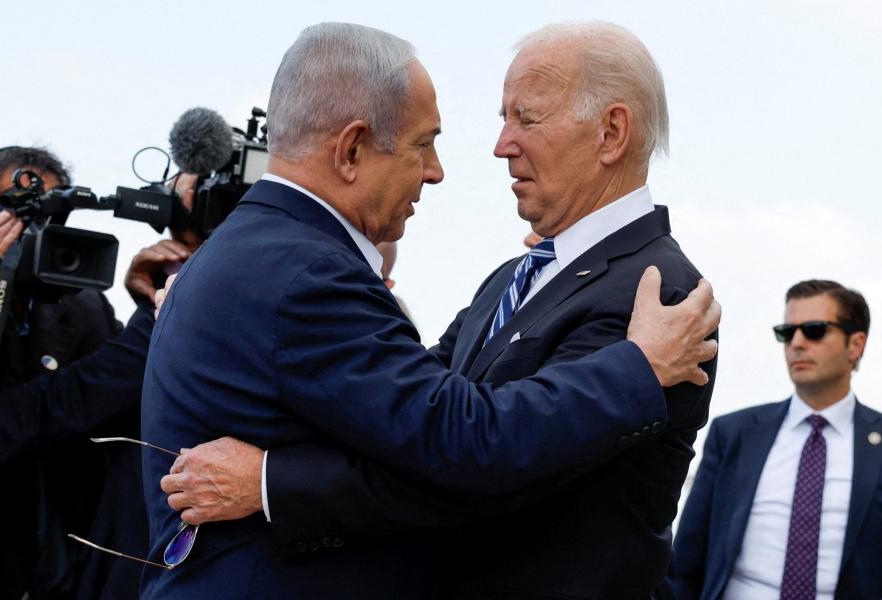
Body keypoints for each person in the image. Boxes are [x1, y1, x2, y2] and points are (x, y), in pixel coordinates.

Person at [142, 22, 719, 599]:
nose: (501, 145)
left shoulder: (661, 301)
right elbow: (426, 429)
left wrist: (271, 483)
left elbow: (473, 470)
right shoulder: (510, 281)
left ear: (611, 132)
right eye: (503, 120)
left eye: (526, 117)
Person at [0, 157, 199, 599]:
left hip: (62, 570)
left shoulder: (85, 311)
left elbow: (110, 394)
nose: (37, 228)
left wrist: (157, 297)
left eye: (51, 214)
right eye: (20, 210)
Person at [669, 280, 882, 599]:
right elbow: (685, 562)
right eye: (787, 332)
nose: (797, 343)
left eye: (815, 330)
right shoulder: (734, 434)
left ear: (856, 344)